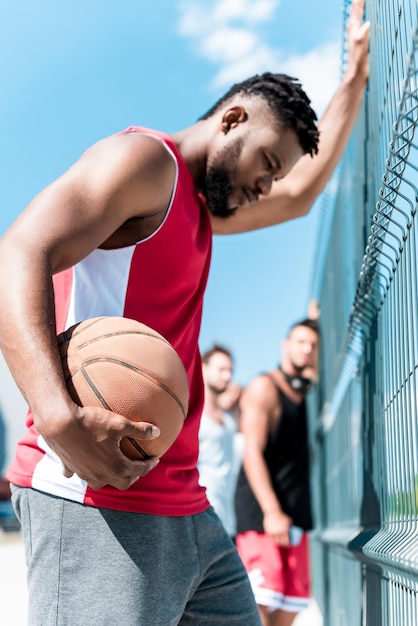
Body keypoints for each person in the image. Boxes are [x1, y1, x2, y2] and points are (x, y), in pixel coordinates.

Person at [0, 2, 368, 623]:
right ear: (232, 118)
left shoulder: (199, 211)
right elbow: (19, 250)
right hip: (99, 492)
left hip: (185, 503)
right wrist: (59, 418)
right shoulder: (147, 163)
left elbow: (302, 196)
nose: (266, 187)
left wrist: (354, 80)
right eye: (267, 164)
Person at [234, 318, 320, 626]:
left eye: (313, 345)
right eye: (300, 342)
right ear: (285, 346)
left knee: (292, 602)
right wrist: (271, 511)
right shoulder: (263, 388)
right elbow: (251, 453)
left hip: (296, 510)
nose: (307, 349)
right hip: (262, 512)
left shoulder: (305, 392)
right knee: (259, 603)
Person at [198, 345, 242, 538]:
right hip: (201, 516)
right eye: (221, 369)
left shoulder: (230, 420)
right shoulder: (193, 418)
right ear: (203, 368)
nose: (226, 376)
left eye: (230, 371)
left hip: (227, 519)